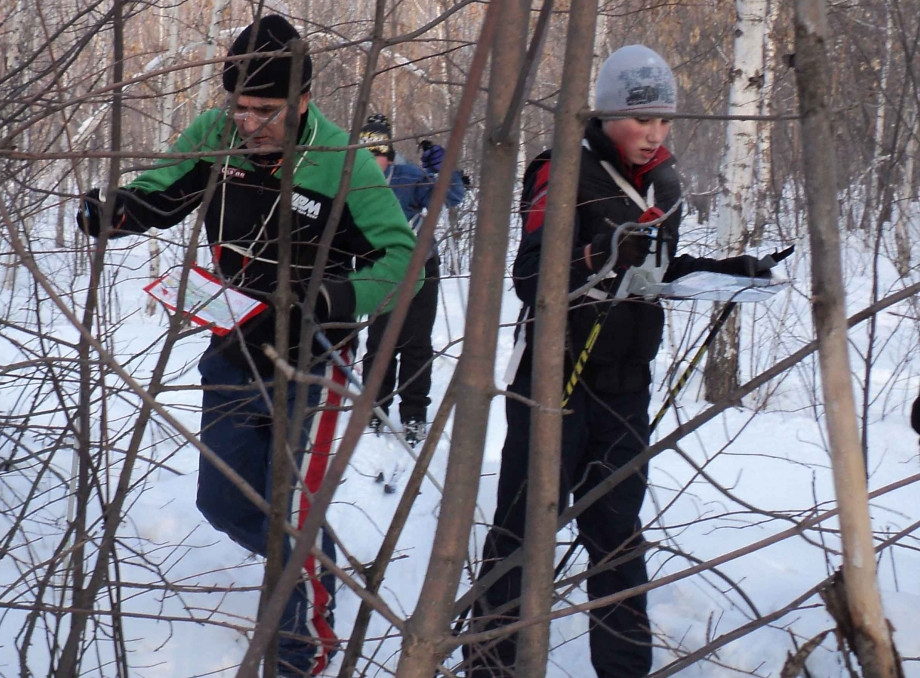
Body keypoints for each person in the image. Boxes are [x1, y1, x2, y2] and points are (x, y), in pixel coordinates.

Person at [76, 15, 416, 676]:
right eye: (240, 107)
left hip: (314, 362)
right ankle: (301, 570)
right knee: (224, 502)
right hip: (233, 350)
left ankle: (302, 652)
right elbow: (164, 192)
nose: (249, 123)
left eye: (266, 110)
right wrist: (116, 210)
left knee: (290, 516)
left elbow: (405, 261)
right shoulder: (216, 135)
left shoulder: (343, 162)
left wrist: (320, 303)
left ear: (304, 102)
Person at [464, 45, 775, 677]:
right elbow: (529, 277)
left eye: (665, 121)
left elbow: (656, 270)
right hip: (556, 379)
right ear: (607, 116)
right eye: (642, 121)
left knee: (617, 536)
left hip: (627, 383)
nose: (655, 135)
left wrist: (728, 272)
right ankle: (490, 665)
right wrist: (600, 252)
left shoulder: (665, 180)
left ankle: (626, 670)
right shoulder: (564, 174)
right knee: (522, 532)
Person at [357, 113, 467, 445]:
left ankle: (415, 415)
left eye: (377, 154)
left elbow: (450, 197)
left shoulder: (407, 177)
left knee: (416, 344)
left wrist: (444, 168)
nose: (371, 161)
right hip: (378, 269)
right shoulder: (352, 181)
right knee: (380, 343)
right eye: (364, 155)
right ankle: (374, 410)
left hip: (421, 266)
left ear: (388, 155)